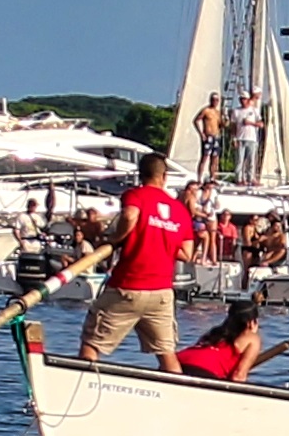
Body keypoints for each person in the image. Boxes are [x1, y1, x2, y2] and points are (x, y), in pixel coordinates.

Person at [79, 153, 194, 373]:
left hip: (128, 287)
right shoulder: (179, 209)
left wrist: (117, 238)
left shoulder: (135, 195)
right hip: (161, 293)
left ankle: (83, 382)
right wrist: (162, 239)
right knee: (167, 354)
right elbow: (186, 253)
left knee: (91, 343)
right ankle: (177, 388)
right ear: (164, 177)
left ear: (141, 175)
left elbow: (130, 215)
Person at [176, 300, 266, 382]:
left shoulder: (215, 331)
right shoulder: (252, 337)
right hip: (204, 370)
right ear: (252, 322)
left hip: (177, 362)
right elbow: (238, 376)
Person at [233, 92, 263, 185]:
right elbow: (233, 126)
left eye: (245, 99)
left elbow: (261, 124)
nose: (243, 101)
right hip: (240, 138)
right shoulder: (236, 111)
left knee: (251, 160)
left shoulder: (254, 110)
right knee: (239, 160)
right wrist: (234, 138)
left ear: (248, 100)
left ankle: (251, 178)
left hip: (251, 138)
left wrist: (250, 123)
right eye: (241, 99)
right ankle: (239, 179)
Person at [193, 92, 224, 181]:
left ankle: (212, 178)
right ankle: (199, 178)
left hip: (216, 136)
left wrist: (225, 122)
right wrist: (201, 133)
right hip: (208, 136)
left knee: (214, 158)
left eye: (217, 100)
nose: (215, 102)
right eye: (213, 100)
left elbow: (220, 125)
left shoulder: (218, 113)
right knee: (205, 157)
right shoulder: (206, 110)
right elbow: (196, 120)